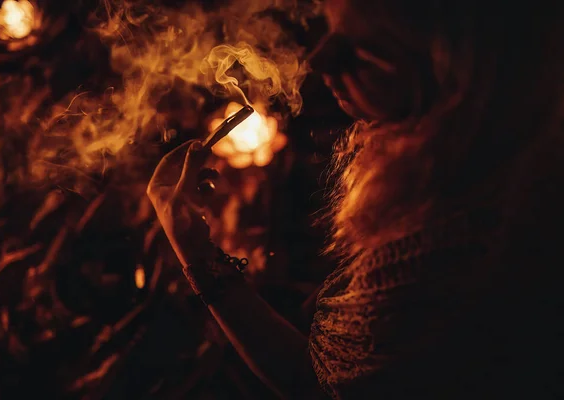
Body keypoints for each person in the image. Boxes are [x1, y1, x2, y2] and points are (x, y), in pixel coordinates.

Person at [147, 1, 564, 398]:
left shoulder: (446, 249)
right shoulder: (495, 161)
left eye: (366, 39)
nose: (321, 57)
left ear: (454, 63)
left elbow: (312, 385)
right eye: (332, 27)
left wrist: (194, 253)